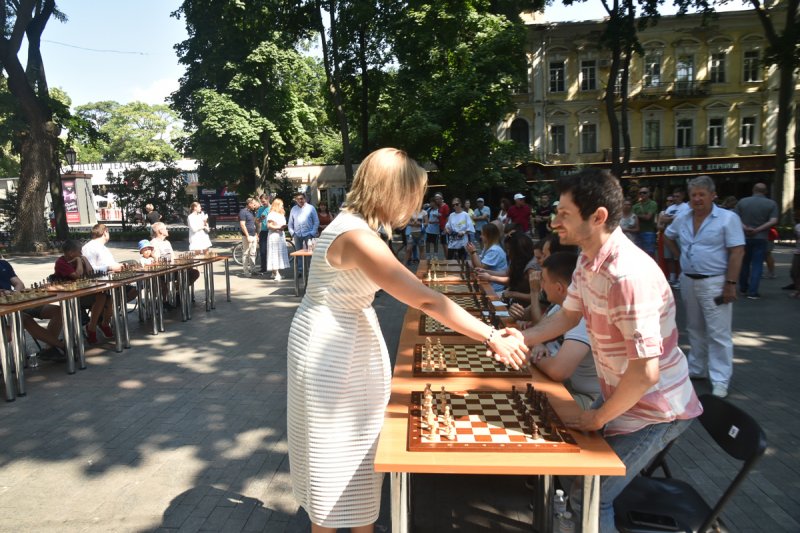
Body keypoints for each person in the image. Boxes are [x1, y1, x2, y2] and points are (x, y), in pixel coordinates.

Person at [286, 147, 529, 533]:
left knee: (351, 446)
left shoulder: (355, 227)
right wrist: (490, 335)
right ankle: (337, 522)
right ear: (391, 192)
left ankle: (357, 521)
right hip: (333, 347)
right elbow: (424, 297)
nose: (414, 207)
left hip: (335, 335)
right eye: (412, 195)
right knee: (335, 451)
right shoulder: (358, 237)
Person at [515, 168, 702, 532]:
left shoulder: (627, 277)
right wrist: (519, 339)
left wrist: (598, 418)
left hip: (658, 409)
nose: (554, 223)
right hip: (625, 397)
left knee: (590, 493)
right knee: (578, 478)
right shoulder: (587, 260)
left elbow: (646, 373)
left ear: (598, 217)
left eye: (564, 214)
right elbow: (566, 318)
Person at [665, 175, 745, 398]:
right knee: (694, 328)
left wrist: (731, 283)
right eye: (694, 195)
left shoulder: (727, 218)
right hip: (689, 280)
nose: (697, 199)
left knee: (718, 333)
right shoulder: (683, 216)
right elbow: (668, 235)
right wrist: (680, 256)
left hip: (715, 281)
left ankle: (720, 378)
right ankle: (697, 368)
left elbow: (737, 251)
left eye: (702, 194)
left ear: (712, 195)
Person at [527, 251, 600, 410]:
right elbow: (539, 332)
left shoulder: (583, 316)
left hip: (591, 399)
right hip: (571, 386)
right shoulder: (562, 308)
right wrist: (538, 343)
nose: (541, 286)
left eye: (544, 281)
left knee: (530, 405)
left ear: (559, 288)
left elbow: (557, 371)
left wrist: (528, 354)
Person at [0, 260, 66, 360]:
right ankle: (62, 346)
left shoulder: (3, 264)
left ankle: (50, 348)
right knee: (24, 319)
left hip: (15, 303)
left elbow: (19, 284)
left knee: (58, 311)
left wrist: (13, 293)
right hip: (6, 311)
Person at [54, 240, 113, 344]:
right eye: (79, 252)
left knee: (108, 297)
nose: (81, 254)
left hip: (84, 292)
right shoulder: (61, 262)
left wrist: (84, 260)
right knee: (102, 297)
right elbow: (78, 275)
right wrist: (78, 261)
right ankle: (92, 328)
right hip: (71, 297)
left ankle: (102, 324)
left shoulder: (80, 259)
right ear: (71, 253)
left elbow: (90, 272)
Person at [735, 183, 779, 299]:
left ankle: (743, 288)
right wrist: (758, 229)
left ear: (753, 190)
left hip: (744, 237)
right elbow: (773, 220)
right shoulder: (771, 203)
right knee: (757, 264)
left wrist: (745, 227)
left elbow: (734, 218)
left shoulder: (742, 202)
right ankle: (753, 292)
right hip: (761, 237)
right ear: (765, 191)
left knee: (744, 263)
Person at [657, 188, 690, 287]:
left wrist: (669, 218)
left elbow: (681, 219)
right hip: (669, 234)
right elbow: (662, 219)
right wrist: (673, 218)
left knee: (680, 257)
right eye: (674, 196)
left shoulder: (686, 207)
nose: (675, 198)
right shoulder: (671, 207)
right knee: (669, 258)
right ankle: (672, 278)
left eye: (677, 196)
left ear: (683, 196)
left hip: (680, 235)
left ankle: (680, 278)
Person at [466, 223, 508, 294]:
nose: (480, 236)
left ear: (489, 236)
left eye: (482, 234)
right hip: (487, 283)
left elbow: (480, 267)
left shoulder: (495, 250)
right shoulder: (488, 247)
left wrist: (473, 252)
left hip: (494, 288)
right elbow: (476, 265)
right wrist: (472, 253)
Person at [288, 192, 319, 264]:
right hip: (297, 235)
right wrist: (293, 234)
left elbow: (316, 221)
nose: (300, 201)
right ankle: (300, 271)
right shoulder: (293, 209)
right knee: (298, 254)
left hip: (308, 234)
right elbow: (290, 223)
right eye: (298, 199)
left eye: (301, 199)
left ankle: (309, 271)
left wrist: (312, 233)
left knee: (309, 254)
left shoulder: (311, 208)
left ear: (305, 199)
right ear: (296, 200)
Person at [267, 198, 290, 281]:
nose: (282, 206)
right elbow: (269, 226)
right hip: (274, 235)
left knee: (279, 254)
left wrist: (283, 227)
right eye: (281, 205)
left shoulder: (281, 214)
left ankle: (274, 273)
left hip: (280, 235)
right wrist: (278, 227)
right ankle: (276, 273)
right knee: (274, 254)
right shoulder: (272, 214)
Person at [633, 186, 658, 257]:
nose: (642, 194)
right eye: (640, 193)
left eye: (644, 192)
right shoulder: (635, 206)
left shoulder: (652, 204)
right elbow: (631, 218)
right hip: (636, 233)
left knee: (649, 254)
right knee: (638, 254)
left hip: (648, 232)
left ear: (649, 194)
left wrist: (636, 215)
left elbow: (648, 217)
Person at [238, 197, 260, 277]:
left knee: (253, 253)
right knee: (246, 253)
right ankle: (246, 272)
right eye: (253, 204)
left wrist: (256, 234)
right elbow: (242, 225)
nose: (254, 205)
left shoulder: (252, 212)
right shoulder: (243, 212)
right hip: (247, 236)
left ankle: (253, 270)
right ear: (249, 204)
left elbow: (254, 223)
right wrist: (247, 236)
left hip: (254, 235)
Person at [256, 194, 272, 275]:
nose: (263, 203)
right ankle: (263, 268)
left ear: (268, 199)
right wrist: (261, 218)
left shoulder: (272, 208)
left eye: (264, 202)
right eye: (262, 202)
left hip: (272, 231)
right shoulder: (261, 209)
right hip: (264, 231)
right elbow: (257, 221)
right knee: (262, 251)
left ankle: (273, 268)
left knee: (272, 250)